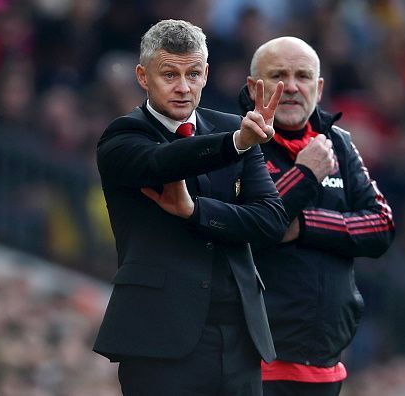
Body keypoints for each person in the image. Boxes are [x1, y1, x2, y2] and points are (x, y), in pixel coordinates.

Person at [93, 19, 289, 395]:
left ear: (206, 74)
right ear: (143, 76)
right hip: (158, 340)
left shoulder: (235, 127)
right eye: (170, 74)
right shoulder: (123, 136)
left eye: (193, 74)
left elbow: (271, 220)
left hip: (239, 337)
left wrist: (195, 212)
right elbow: (163, 163)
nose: (183, 87)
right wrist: (234, 143)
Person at [238, 36, 396, 395]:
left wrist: (307, 226)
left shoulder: (338, 143)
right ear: (253, 87)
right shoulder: (237, 142)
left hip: (325, 366)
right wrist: (305, 174)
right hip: (254, 364)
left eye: (303, 76)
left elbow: (382, 225)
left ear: (319, 88)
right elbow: (252, 225)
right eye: (279, 75)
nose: (292, 87)